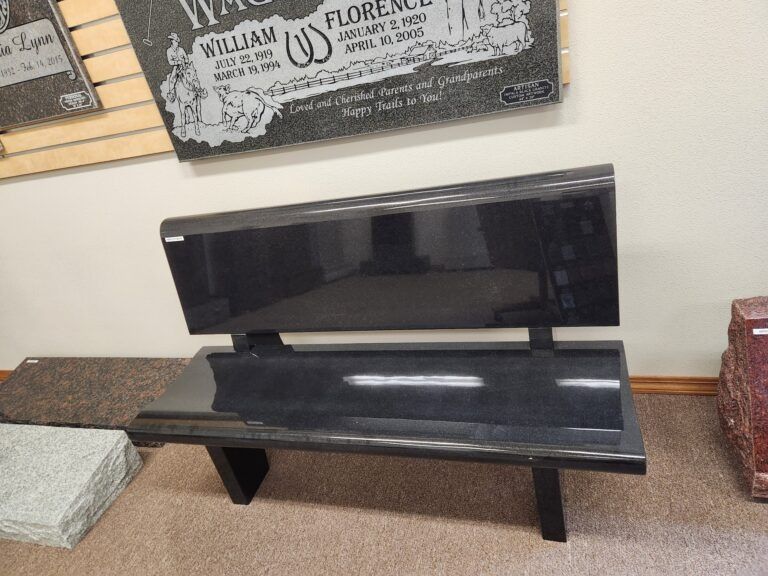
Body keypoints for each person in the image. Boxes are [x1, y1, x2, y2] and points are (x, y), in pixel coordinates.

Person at [166, 33, 189, 103]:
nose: (177, 43)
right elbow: (170, 62)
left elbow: (186, 58)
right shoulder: (169, 51)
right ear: (172, 41)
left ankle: (198, 90)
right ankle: (171, 93)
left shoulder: (181, 49)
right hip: (176, 67)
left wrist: (185, 61)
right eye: (175, 41)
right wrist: (178, 62)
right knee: (172, 78)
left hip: (184, 66)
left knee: (192, 75)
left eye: (177, 41)